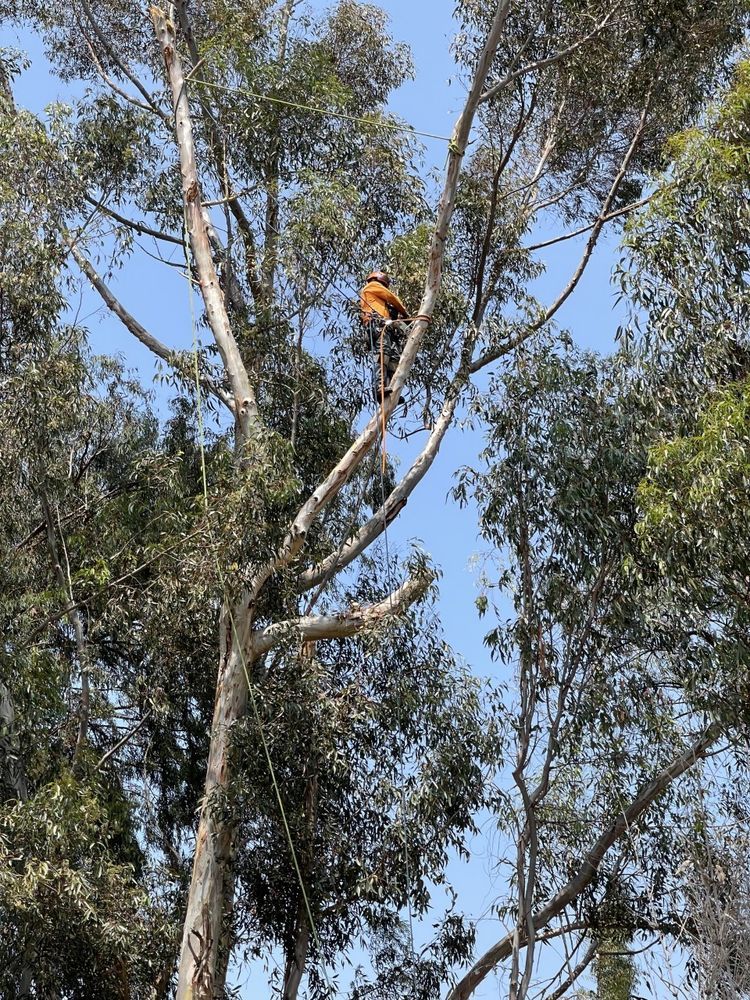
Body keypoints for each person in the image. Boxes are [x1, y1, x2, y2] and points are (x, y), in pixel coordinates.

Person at [359, 270, 410, 403]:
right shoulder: (372, 286)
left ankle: (392, 389)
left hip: (387, 328)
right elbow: (391, 297)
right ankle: (379, 387)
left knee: (394, 359)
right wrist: (404, 313)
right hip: (378, 325)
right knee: (382, 355)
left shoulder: (380, 301)